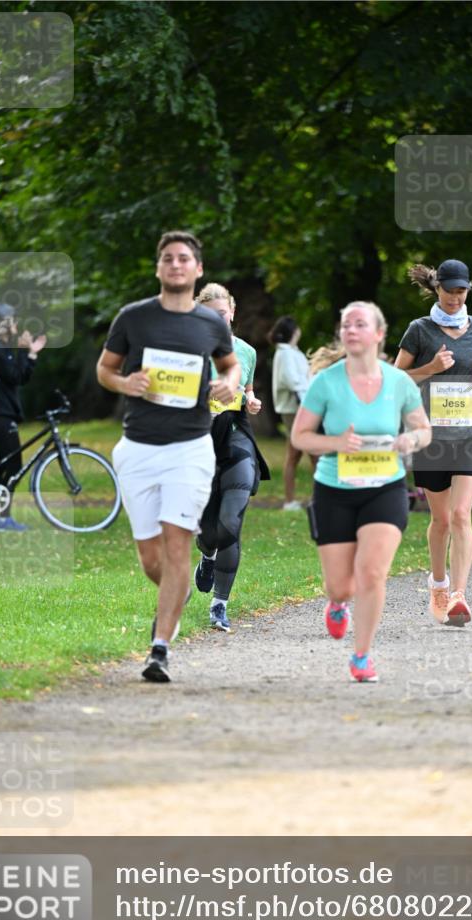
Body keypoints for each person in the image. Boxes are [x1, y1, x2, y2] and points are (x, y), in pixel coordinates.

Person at [96, 231, 240, 683]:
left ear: (197, 270)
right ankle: (173, 602)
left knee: (177, 544)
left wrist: (230, 382)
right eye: (168, 258)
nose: (176, 264)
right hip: (138, 448)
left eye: (184, 259)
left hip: (190, 448)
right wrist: (125, 384)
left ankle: (160, 648)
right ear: (159, 268)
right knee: (152, 561)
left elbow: (230, 364)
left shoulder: (210, 324)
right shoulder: (133, 318)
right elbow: (105, 369)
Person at [292, 301, 431, 683]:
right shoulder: (326, 383)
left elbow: (424, 429)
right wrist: (336, 441)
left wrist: (410, 440)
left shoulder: (399, 382)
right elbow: (299, 436)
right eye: (346, 325)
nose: (351, 330)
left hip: (384, 488)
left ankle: (362, 654)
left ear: (378, 334)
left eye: (359, 324)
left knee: (372, 574)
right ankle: (337, 604)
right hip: (334, 489)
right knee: (342, 585)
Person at [394, 260, 472, 627]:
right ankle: (438, 585)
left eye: (461, 291)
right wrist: (430, 370)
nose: (455, 298)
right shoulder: (419, 330)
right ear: (437, 288)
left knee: (460, 514)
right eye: (449, 291)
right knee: (440, 519)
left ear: (467, 290)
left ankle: (458, 594)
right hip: (431, 438)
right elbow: (396, 376)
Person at [193, 283, 271, 631]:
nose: (217, 321)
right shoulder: (189, 352)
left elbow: (247, 393)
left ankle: (219, 605)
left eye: (221, 315)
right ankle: (207, 555)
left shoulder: (246, 352)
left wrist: (252, 402)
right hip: (198, 444)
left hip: (237, 438)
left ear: (232, 314)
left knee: (231, 523)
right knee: (209, 531)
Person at [0, 303, 47, 530]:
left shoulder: (1, 348)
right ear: (5, 324)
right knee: (11, 466)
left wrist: (31, 354)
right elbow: (15, 376)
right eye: (14, 321)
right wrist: (24, 350)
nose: (17, 325)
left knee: (4, 466)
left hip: (3, 412)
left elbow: (21, 377)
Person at [269, 315, 314, 510]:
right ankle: (293, 500)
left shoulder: (291, 352)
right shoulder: (286, 353)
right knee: (309, 452)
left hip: (297, 407)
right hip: (295, 408)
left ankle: (296, 499)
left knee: (296, 454)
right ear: (293, 332)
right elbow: (291, 379)